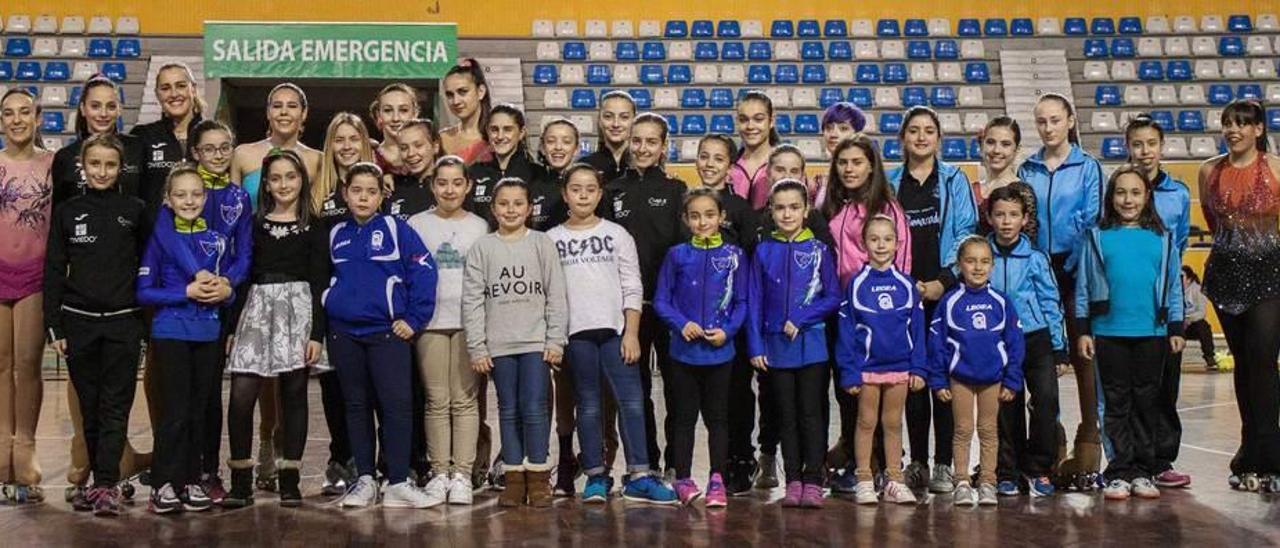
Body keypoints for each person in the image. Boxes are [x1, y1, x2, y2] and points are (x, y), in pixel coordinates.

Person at [552, 164, 676, 505]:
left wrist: (632, 332)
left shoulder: (617, 234)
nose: (583, 195)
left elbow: (632, 286)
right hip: (575, 336)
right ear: (565, 194)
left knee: (632, 403)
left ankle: (639, 475)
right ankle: (595, 475)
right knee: (588, 406)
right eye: (575, 189)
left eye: (590, 189)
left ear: (600, 193)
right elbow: (550, 294)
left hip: (616, 333)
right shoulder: (551, 240)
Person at [325, 162, 438, 509]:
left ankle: (399, 481)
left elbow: (424, 271)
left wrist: (414, 318)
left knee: (397, 407)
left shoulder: (396, 229)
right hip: (345, 336)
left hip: (387, 335)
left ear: (381, 196)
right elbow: (324, 279)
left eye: (371, 191)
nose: (363, 197)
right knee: (356, 407)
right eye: (356, 190)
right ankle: (365, 480)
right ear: (345, 194)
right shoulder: (335, 233)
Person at [44, 133, 145, 517]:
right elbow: (53, 269)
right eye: (95, 164)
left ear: (120, 168)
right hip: (79, 323)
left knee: (116, 407)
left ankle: (106, 484)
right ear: (83, 168)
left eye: (110, 164)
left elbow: (149, 267)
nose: (102, 171)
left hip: (123, 323)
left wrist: (143, 323)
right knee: (89, 408)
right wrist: (54, 324)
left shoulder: (135, 210)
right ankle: (95, 482)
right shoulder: (67, 212)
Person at [221, 150, 328, 508]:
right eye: (276, 178)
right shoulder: (252, 224)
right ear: (266, 183)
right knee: (241, 394)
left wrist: (316, 333)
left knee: (294, 395)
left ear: (303, 180)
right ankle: (240, 479)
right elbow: (243, 276)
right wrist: (234, 326)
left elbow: (319, 283)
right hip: (256, 307)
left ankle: (290, 479)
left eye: (291, 177)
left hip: (298, 309)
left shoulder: (315, 226)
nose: (284, 184)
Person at [1075, 165, 1184, 501]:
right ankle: (1120, 470)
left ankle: (1144, 469)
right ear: (1111, 197)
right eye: (1121, 192)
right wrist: (1083, 330)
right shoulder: (1096, 237)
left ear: (1147, 196)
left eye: (1135, 193)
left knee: (1146, 403)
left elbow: (1173, 288)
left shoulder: (1163, 240)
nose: (1128, 199)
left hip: (1152, 333)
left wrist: (1176, 327)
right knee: (1116, 403)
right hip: (1108, 332)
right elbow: (1082, 288)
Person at [887, 106, 979, 493]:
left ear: (939, 138)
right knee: (913, 381)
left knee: (943, 379)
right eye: (914, 131)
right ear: (903, 138)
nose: (921, 137)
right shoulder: (891, 182)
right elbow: (881, 232)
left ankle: (944, 463)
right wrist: (904, 283)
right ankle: (918, 463)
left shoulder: (955, 180)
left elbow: (966, 232)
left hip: (945, 293)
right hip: (905, 293)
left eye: (929, 131)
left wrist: (944, 280)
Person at [1016, 93, 1105, 489]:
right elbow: (1024, 220)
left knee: (1084, 357)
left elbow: (1092, 219)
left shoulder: (1088, 167)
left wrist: (1067, 265)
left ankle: (1089, 436)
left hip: (1074, 271)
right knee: (1040, 359)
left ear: (1070, 120)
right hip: (1037, 271)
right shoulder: (1028, 167)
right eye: (1041, 121)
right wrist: (1037, 267)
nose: (1048, 127)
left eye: (1055, 120)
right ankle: (1049, 440)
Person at [136, 163, 235, 514]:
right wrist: (186, 291)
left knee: (198, 410)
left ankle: (192, 478)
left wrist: (225, 291)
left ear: (205, 197)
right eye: (181, 194)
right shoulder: (161, 240)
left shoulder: (218, 240)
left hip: (208, 334)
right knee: (174, 412)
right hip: (171, 332)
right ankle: (163, 482)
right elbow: (145, 292)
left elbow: (229, 289)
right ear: (168, 199)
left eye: (196, 194)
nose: (189, 200)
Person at [463, 178, 568, 507]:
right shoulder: (483, 248)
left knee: (535, 409)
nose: (510, 209)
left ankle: (537, 476)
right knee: (508, 410)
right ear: (493, 209)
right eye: (503, 204)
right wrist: (477, 346)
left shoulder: (541, 243)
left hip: (536, 343)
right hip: (500, 346)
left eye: (517, 203)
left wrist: (555, 340)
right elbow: (473, 300)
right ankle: (513, 476)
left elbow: (556, 295)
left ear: (529, 208)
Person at [1196, 100, 1280, 491]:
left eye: (1243, 124)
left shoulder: (1277, 168)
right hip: (1226, 275)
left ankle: (1271, 455)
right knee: (1245, 367)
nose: (1234, 129)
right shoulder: (1208, 171)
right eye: (1228, 123)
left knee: (1264, 363)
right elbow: (1214, 224)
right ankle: (1249, 452)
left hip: (1270, 275)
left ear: (1259, 130)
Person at [820, 135, 910, 491]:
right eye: (843, 163)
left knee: (878, 398)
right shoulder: (832, 206)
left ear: (871, 165)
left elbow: (900, 265)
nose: (849, 169)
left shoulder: (887, 209)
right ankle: (855, 463)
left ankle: (885, 466)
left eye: (857, 162)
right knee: (850, 390)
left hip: (875, 317)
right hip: (839, 311)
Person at [747, 179, 842, 508]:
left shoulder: (819, 250)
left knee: (810, 414)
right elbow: (754, 300)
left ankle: (814, 478)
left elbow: (832, 296)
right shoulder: (762, 251)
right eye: (780, 208)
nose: (787, 214)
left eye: (794, 207)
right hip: (775, 348)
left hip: (812, 345)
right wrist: (756, 346)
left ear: (806, 211)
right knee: (785, 414)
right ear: (771, 211)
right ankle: (794, 480)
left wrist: (802, 316)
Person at [604, 113, 687, 477]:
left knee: (674, 391)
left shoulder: (675, 191)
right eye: (637, 140)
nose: (642, 148)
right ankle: (646, 464)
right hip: (627, 313)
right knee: (635, 393)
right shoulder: (611, 192)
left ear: (663, 147)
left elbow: (683, 253)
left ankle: (674, 465)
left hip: (667, 308)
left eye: (651, 141)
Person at [654, 187, 748, 507]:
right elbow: (662, 301)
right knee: (683, 418)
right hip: (684, 353)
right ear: (685, 219)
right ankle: (682, 478)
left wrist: (729, 331)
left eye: (709, 215)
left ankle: (717, 480)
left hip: (721, 352)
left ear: (721, 217)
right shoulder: (677, 254)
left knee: (718, 419)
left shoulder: (735, 256)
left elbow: (742, 301)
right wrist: (682, 324)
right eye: (695, 216)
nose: (702, 221)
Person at [407, 156, 489, 506]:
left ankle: (463, 475)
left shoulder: (480, 226)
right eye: (442, 182)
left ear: (468, 186)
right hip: (430, 323)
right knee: (437, 400)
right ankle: (440, 472)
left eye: (457, 182)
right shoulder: (416, 224)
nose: (450, 189)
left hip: (468, 322)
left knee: (465, 400)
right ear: (432, 185)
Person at [183, 120, 254, 502]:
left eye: (224, 147)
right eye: (208, 149)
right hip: (182, 302)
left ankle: (208, 470)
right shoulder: (183, 191)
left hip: (221, 303)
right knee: (182, 395)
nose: (217, 155)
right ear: (195, 152)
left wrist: (228, 285)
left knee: (210, 393)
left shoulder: (238, 198)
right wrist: (192, 281)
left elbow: (244, 252)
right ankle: (180, 471)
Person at [836, 215, 926, 505]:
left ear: (897, 243)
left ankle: (894, 480)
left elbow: (918, 330)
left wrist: (918, 367)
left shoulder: (907, 284)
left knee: (893, 424)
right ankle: (864, 477)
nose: (881, 245)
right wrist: (849, 372)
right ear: (863, 243)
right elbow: (847, 332)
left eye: (887, 239)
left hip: (900, 368)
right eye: (874, 239)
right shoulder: (856, 284)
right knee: (865, 422)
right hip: (867, 369)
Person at [929, 236, 1025, 507]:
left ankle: (987, 482)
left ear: (992, 266)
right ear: (960, 265)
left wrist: (1012, 379)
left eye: (984, 261)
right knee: (962, 430)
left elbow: (1015, 343)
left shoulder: (1001, 302)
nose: (978, 267)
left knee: (988, 430)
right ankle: (961, 481)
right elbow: (936, 343)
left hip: (992, 379)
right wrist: (938, 380)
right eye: (971, 261)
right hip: (959, 378)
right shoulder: (949, 302)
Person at [984, 186, 1067, 498]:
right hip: (998, 342)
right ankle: (1009, 470)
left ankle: (1041, 467)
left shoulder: (1035, 258)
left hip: (1036, 339)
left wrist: (1059, 348)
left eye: (1013, 215)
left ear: (1025, 219)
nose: (1006, 221)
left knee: (1046, 401)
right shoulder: (982, 255)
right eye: (1000, 215)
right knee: (1007, 407)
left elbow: (1050, 301)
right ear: (990, 219)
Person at [1125, 113, 1194, 489]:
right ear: (1128, 148)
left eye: (1151, 143)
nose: (1145, 151)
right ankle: (1129, 460)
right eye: (1137, 144)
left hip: (1165, 300)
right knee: (1130, 385)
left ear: (1161, 146)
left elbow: (1179, 245)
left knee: (1166, 384)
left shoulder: (1179, 194)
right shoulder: (1119, 189)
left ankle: (1162, 459)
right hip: (1126, 303)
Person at [0, 88, 53, 504]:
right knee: (0, 365)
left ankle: (26, 447)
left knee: (27, 364)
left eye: (24, 112)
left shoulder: (53, 164)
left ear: (38, 118)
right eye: (8, 113)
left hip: (35, 275)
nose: (17, 119)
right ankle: (3, 449)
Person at [52, 75, 145, 206]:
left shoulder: (137, 148)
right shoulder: (65, 157)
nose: (103, 114)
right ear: (83, 109)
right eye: (95, 106)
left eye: (111, 106)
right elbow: (59, 214)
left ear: (119, 110)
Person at [131, 62, 206, 223]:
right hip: (156, 240)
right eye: (165, 88)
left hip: (203, 238)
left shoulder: (211, 135)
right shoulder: (142, 136)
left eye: (180, 86)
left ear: (193, 89)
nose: (173, 94)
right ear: (157, 94)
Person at [230, 83, 322, 210]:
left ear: (304, 113)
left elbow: (317, 212)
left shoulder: (317, 159)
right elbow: (232, 209)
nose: (284, 112)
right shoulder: (242, 154)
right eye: (277, 106)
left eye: (292, 106)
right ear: (268, 112)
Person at [467, 104, 548, 226]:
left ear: (521, 133)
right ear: (487, 132)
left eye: (507, 129)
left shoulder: (539, 174)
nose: (500, 136)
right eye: (494, 129)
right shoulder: (474, 173)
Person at [972, 117, 1037, 239]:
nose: (996, 150)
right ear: (981, 146)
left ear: (1016, 150)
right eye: (990, 142)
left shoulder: (1022, 192)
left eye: (1005, 144)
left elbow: (1029, 241)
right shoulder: (970, 189)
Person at [729, 90, 780, 208]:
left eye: (758, 119)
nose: (750, 126)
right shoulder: (729, 166)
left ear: (771, 121)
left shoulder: (784, 164)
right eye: (743, 120)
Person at [812, 103, 868, 210]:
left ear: (857, 133)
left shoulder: (865, 178)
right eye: (829, 128)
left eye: (843, 128)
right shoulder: (819, 182)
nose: (833, 135)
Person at [439, 59, 493, 164]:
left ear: (481, 92)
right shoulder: (442, 138)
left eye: (462, 92)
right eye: (450, 95)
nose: (456, 101)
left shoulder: (497, 136)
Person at [386, 119, 441, 222]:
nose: (411, 153)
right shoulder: (391, 187)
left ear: (435, 146)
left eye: (418, 145)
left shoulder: (449, 187)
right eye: (404, 148)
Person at [582, 91, 635, 185]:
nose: (616, 124)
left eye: (624, 117)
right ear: (599, 121)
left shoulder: (643, 164)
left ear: (634, 121)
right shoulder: (585, 166)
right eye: (608, 117)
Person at [369, 83, 420, 174]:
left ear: (415, 113)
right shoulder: (369, 156)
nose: (395, 118)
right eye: (388, 110)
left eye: (403, 110)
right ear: (378, 114)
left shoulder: (429, 156)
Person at [1180, 267, 1217, 371]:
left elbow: (1201, 313)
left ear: (1189, 279)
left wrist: (1188, 319)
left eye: (1182, 277)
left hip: (1192, 323)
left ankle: (1210, 357)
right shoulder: (1172, 289)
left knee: (1203, 326)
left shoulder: (1198, 290)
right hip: (1178, 322)